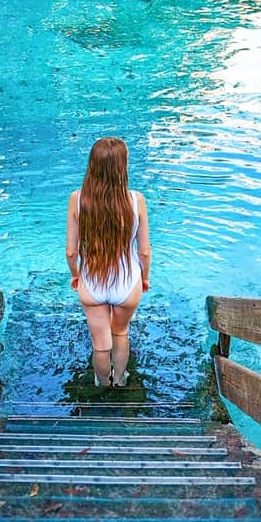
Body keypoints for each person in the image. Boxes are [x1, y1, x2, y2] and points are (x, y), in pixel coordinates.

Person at [66, 137, 151, 388]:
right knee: (121, 333)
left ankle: (102, 382)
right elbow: (144, 251)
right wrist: (144, 278)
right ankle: (120, 379)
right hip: (127, 283)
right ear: (122, 167)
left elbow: (71, 251)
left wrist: (76, 274)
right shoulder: (136, 200)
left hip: (92, 281)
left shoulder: (77, 199)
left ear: (92, 165)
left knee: (100, 342)